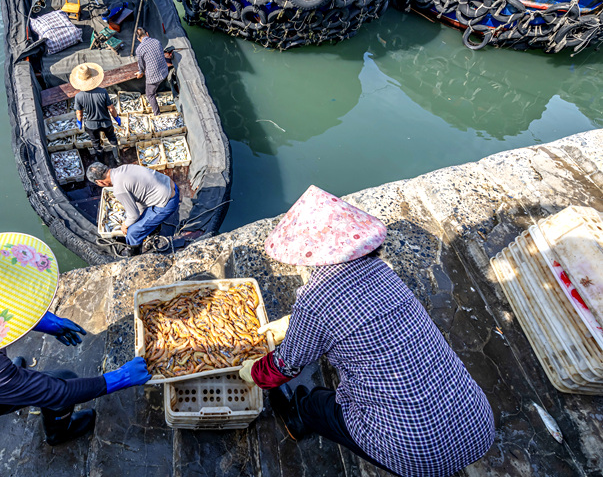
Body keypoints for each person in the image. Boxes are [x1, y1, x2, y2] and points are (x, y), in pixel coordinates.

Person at [239, 186, 495, 477]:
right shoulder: (385, 273)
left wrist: (253, 372)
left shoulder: (315, 299)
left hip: (414, 451)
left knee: (314, 402)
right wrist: (294, 323)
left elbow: (282, 367)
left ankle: (298, 422)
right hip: (478, 423)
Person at [0, 233, 151, 447]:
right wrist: (121, 378)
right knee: (64, 379)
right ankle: (59, 433)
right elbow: (60, 392)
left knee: (17, 378)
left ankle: (17, 383)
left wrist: (46, 322)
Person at [86, 161, 178, 257]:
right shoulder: (124, 168)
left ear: (100, 182)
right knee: (139, 220)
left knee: (132, 233)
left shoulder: (119, 189)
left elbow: (134, 215)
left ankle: (134, 256)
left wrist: (125, 226)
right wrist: (141, 213)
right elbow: (139, 194)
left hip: (168, 202)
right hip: (171, 185)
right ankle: (153, 228)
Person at [70, 62, 122, 163]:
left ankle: (101, 162)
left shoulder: (78, 96)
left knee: (96, 143)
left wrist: (79, 122)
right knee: (112, 139)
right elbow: (111, 108)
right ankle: (117, 158)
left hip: (91, 125)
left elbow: (79, 113)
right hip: (106, 122)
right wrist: (116, 118)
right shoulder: (103, 92)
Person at [133, 28, 169, 117]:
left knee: (150, 94)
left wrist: (140, 73)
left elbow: (141, 66)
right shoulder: (157, 41)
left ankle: (157, 114)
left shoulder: (139, 49)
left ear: (138, 39)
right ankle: (155, 90)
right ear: (147, 34)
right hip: (164, 72)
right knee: (155, 85)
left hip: (154, 77)